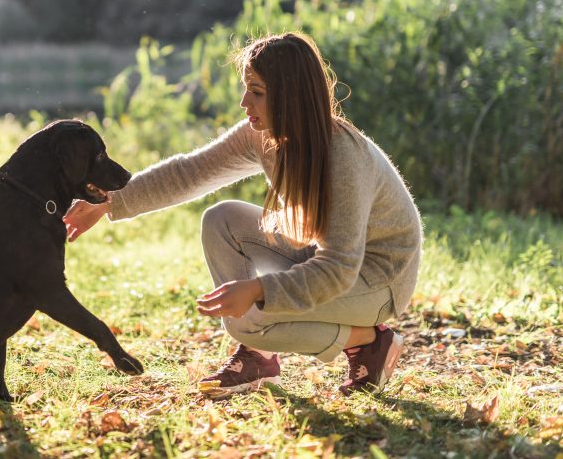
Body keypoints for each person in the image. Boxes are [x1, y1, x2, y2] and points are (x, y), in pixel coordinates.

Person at [63, 32, 422, 397]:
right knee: (221, 219)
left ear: (291, 96)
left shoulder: (343, 157)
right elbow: (191, 172)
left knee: (246, 322)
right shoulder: (264, 134)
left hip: (378, 278)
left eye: (257, 92)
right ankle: (259, 358)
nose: (243, 101)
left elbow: (340, 266)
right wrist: (109, 201)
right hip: (321, 253)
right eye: (246, 88)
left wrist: (258, 289)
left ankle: (368, 342)